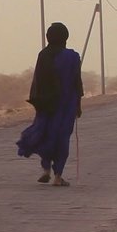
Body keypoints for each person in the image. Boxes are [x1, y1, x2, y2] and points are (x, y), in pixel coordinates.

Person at [16, 22, 83, 186]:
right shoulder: (72, 57)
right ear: (66, 38)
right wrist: (78, 105)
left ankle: (46, 169)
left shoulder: (43, 55)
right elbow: (77, 82)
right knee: (61, 137)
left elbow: (37, 81)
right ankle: (58, 176)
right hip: (66, 104)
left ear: (48, 37)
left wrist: (37, 101)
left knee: (45, 134)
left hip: (46, 104)